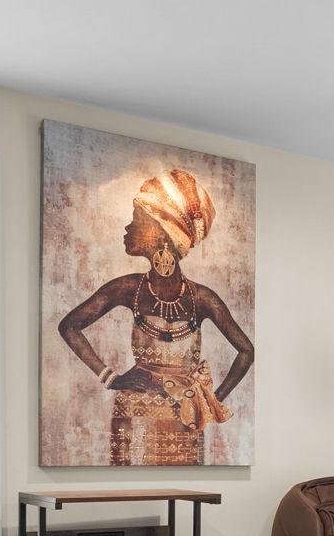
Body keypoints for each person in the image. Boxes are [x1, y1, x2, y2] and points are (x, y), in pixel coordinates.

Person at [58, 168, 255, 465]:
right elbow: (70, 326)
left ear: (162, 235)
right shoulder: (128, 288)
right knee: (128, 489)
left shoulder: (201, 298)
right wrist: (111, 377)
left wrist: (210, 401)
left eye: (136, 219)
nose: (127, 228)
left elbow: (246, 351)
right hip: (133, 414)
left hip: (186, 418)